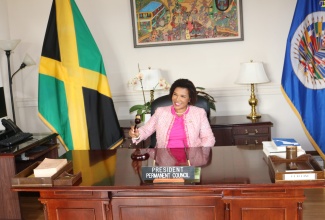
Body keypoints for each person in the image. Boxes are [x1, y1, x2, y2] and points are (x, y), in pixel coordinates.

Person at [129, 78, 215, 148]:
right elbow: (146, 130)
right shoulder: (160, 112)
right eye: (175, 94)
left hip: (191, 159)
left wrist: (199, 153)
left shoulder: (199, 113)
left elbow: (208, 138)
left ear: (189, 99)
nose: (177, 99)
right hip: (164, 159)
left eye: (183, 96)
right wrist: (136, 134)